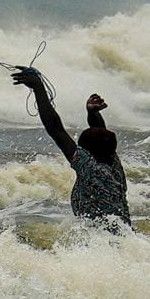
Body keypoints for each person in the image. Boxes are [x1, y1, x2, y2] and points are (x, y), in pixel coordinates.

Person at [11, 67, 131, 230]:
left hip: (103, 241)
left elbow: (55, 129)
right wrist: (93, 114)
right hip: (122, 237)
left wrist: (38, 88)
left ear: (86, 154)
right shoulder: (113, 166)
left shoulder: (91, 169)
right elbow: (101, 137)